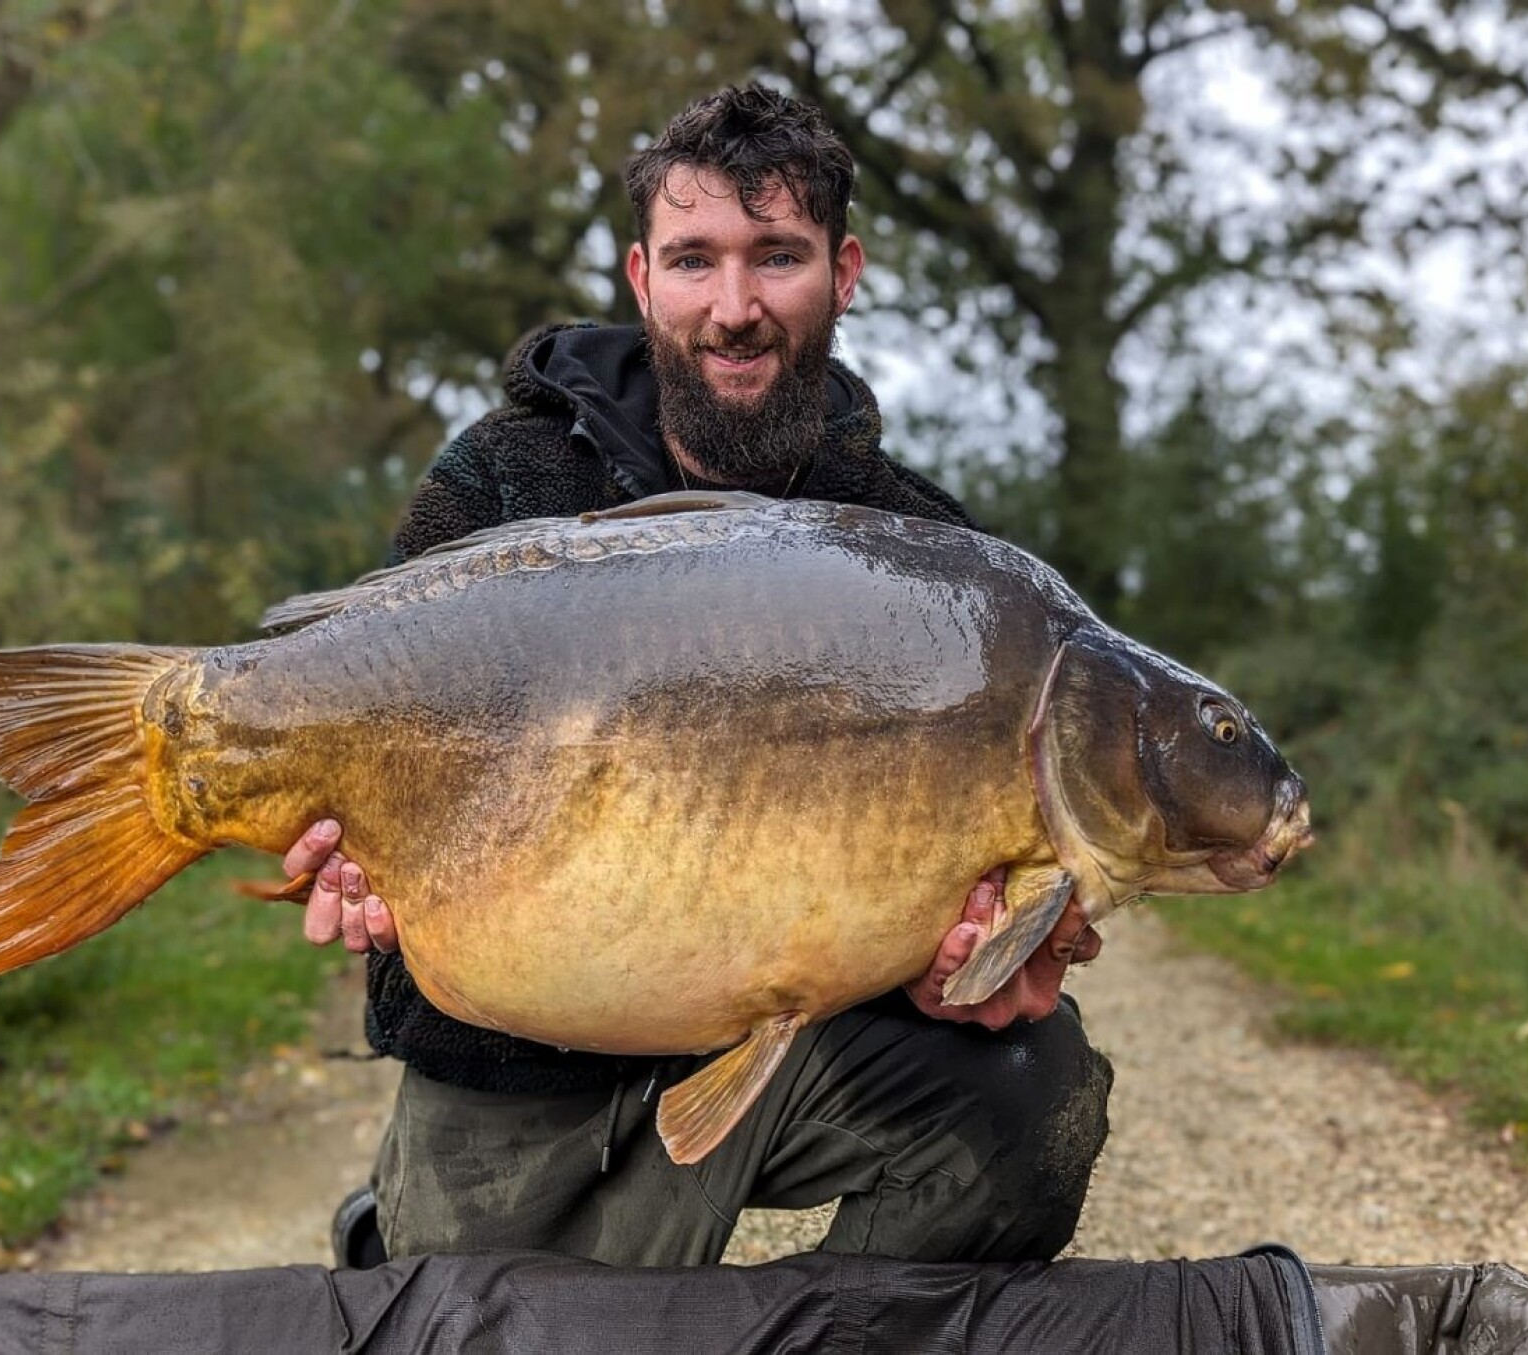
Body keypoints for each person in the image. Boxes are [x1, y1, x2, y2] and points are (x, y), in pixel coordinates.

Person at [285, 84, 1113, 1268]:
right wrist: (368, 881)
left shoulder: (929, 558)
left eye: (777, 256)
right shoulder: (500, 481)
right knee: (480, 1323)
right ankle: (412, 1240)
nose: (735, 308)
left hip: (790, 1061)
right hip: (522, 1066)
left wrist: (966, 972)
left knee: (1036, 1085)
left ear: (843, 272)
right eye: (693, 260)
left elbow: (932, 917)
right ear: (641, 278)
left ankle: (824, 1332)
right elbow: (373, 787)